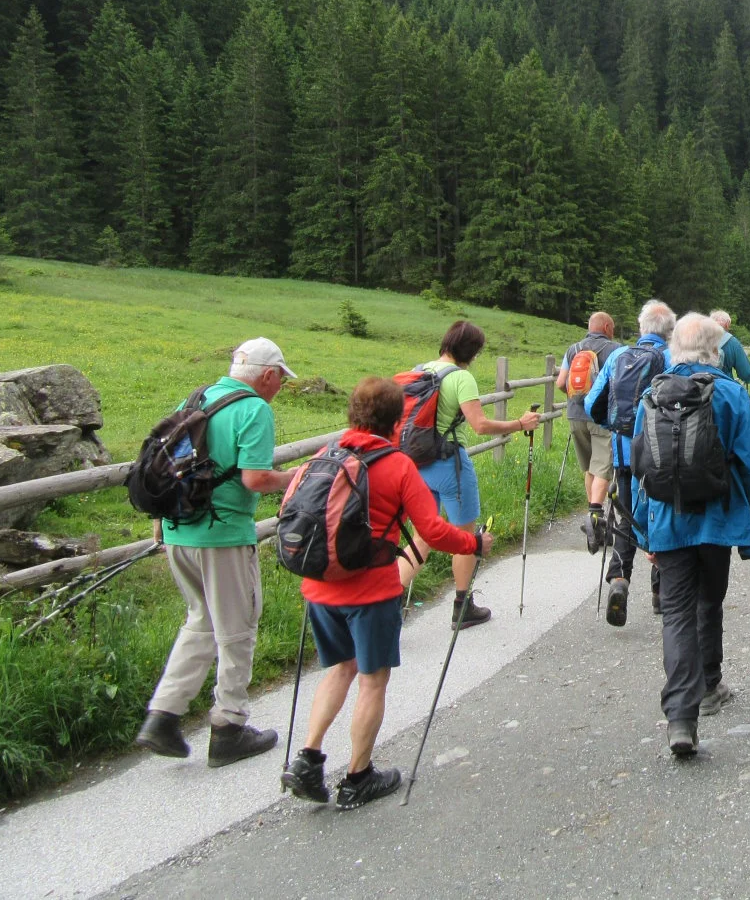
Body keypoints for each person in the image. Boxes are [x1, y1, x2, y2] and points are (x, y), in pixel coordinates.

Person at [281, 377, 489, 809]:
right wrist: (474, 544)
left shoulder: (325, 455)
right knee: (373, 681)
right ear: (397, 421)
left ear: (352, 414)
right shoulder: (396, 466)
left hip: (319, 586)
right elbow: (431, 530)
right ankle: (358, 777)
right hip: (371, 591)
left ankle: (308, 758)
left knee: (340, 669)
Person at [135, 338, 296, 766]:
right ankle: (229, 726)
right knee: (238, 626)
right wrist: (298, 475)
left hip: (178, 531)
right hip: (221, 535)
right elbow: (256, 479)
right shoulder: (255, 409)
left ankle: (163, 716)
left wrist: (161, 521)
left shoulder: (198, 396)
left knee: (200, 620)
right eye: (280, 378)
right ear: (268, 375)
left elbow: (170, 459)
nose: (279, 386)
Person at [631, 313, 750, 757]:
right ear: (715, 350)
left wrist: (644, 530)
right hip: (716, 524)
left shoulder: (651, 396)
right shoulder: (730, 393)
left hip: (667, 522)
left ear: (674, 348)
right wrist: (741, 515)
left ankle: (680, 720)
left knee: (675, 615)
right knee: (709, 601)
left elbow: (640, 472)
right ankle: (710, 685)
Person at [410, 321, 539, 628]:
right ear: (471, 351)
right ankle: (462, 605)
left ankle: (385, 603)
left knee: (421, 537)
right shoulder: (461, 378)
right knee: (465, 537)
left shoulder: (418, 370)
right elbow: (479, 425)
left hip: (416, 464)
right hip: (449, 463)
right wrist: (519, 424)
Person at [586, 299, 674, 624]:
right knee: (661, 514)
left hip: (624, 454)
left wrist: (613, 428)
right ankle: (660, 593)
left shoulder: (618, 356)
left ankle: (619, 580)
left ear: (641, 328)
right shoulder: (669, 358)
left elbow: (593, 402)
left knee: (625, 515)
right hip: (660, 456)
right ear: (670, 331)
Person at [556, 312, 621, 543]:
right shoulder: (614, 350)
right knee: (603, 467)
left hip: (575, 416)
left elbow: (561, 383)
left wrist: (577, 399)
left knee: (590, 469)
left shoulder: (573, 350)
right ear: (606, 327)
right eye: (612, 327)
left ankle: (591, 517)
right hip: (601, 417)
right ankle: (595, 516)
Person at [709, 310, 750, 385]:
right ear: (727, 325)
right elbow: (745, 373)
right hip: (724, 388)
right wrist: (748, 378)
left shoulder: (699, 339)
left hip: (699, 389)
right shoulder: (732, 342)